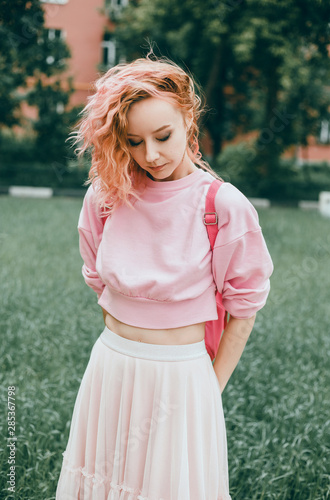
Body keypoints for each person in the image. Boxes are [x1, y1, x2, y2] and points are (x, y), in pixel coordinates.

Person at [56, 55, 273, 500]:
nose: (150, 155)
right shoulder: (106, 194)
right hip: (110, 368)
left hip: (182, 380)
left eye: (163, 136)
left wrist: (209, 390)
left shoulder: (224, 205)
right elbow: (99, 279)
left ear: (188, 119)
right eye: (133, 141)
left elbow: (244, 310)